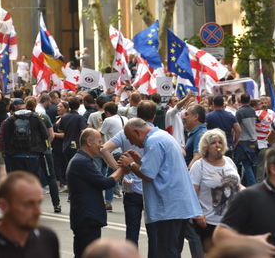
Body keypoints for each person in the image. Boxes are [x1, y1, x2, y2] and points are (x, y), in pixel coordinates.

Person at [118, 118, 202, 258]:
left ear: (137, 132)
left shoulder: (154, 141)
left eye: (130, 138)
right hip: (176, 206)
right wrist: (140, 160)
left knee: (167, 252)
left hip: (168, 208)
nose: (131, 143)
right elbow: (160, 168)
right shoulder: (162, 136)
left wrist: (131, 164)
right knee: (172, 250)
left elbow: (148, 174)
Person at [101, 101, 158, 258]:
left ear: (137, 113)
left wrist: (119, 170)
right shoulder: (157, 133)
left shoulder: (127, 132)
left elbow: (104, 148)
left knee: (131, 232)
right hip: (151, 187)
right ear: (154, 115)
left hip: (131, 186)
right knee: (154, 233)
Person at [67, 128, 124, 258]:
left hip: (86, 218)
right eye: (99, 141)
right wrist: (123, 169)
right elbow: (105, 183)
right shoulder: (81, 162)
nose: (101, 145)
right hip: (86, 219)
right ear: (89, 142)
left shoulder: (82, 160)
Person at [0, 171, 60, 258]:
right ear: (3, 205)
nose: (38, 212)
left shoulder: (47, 238)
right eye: (28, 204)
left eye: (39, 203)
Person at [190, 129, 241, 252]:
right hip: (209, 223)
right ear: (206, 146)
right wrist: (198, 215)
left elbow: (237, 185)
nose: (217, 145)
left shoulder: (229, 161)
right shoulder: (199, 166)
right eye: (213, 143)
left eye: (220, 142)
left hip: (231, 221)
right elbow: (192, 193)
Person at [1, 98, 49, 176]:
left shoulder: (10, 119)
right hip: (34, 154)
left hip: (16, 155)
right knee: (33, 179)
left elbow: (6, 138)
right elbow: (45, 135)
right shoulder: (35, 117)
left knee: (18, 180)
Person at [234, 94, 257, 186]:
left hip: (243, 142)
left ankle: (253, 185)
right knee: (252, 164)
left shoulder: (239, 112)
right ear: (249, 100)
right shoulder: (253, 111)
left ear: (240, 100)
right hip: (254, 142)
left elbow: (237, 128)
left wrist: (235, 141)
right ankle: (251, 184)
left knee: (246, 164)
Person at [59, 97, 87, 164]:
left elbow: (60, 130)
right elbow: (83, 131)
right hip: (76, 146)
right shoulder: (80, 118)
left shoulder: (64, 117)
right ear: (79, 106)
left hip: (65, 145)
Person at [182, 104, 207, 169]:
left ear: (195, 117)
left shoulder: (200, 135)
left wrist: (187, 175)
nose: (184, 117)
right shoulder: (197, 133)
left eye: (187, 114)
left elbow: (197, 157)